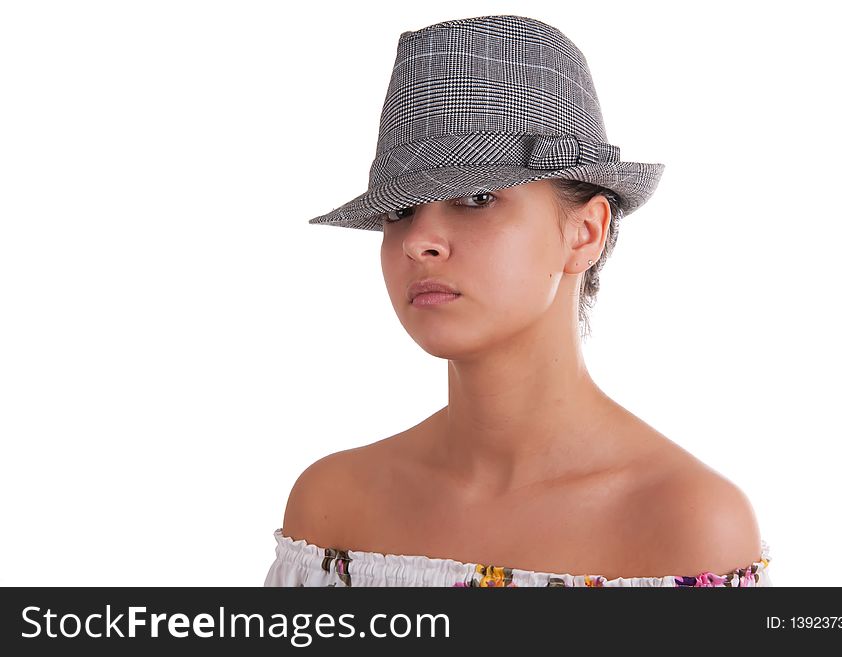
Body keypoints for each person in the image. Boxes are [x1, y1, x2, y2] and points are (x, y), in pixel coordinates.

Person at [264, 14, 772, 587]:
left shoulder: (690, 526)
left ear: (585, 233)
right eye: (400, 209)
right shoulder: (332, 510)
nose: (416, 240)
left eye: (476, 196)